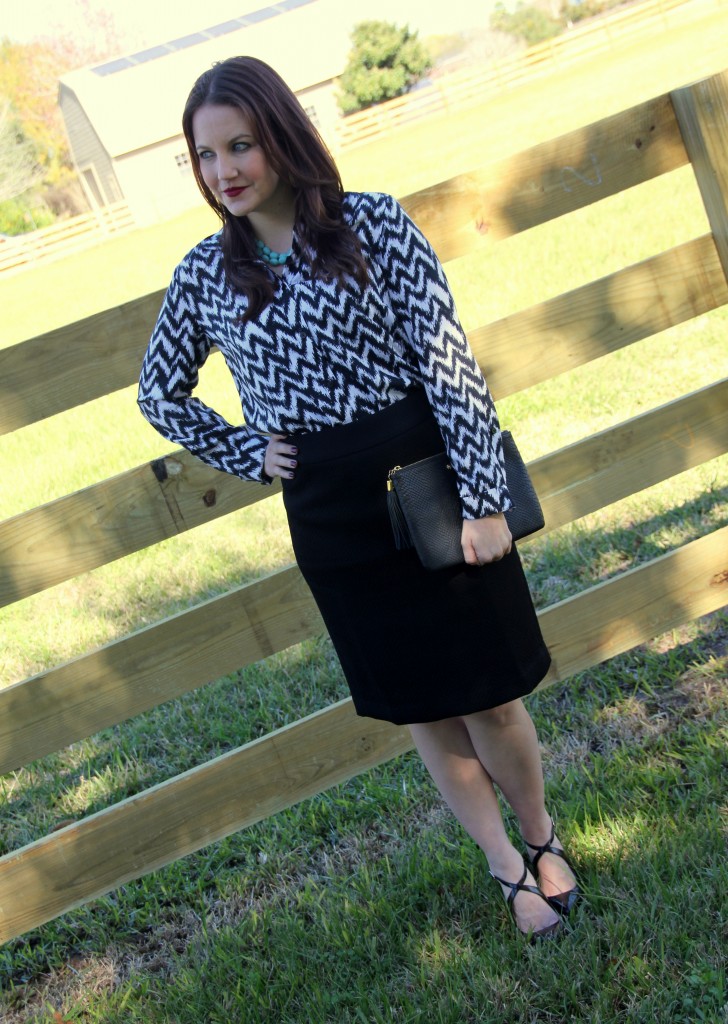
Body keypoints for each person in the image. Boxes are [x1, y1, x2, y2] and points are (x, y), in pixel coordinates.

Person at [138, 55, 579, 941]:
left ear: (281, 139)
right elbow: (159, 392)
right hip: (331, 514)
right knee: (425, 706)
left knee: (491, 693)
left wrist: (486, 501)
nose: (225, 170)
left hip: (431, 482)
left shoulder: (372, 224)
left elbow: (448, 364)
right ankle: (503, 869)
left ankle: (542, 835)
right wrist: (249, 449)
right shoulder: (203, 274)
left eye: (241, 145)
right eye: (207, 155)